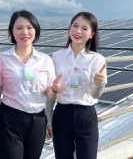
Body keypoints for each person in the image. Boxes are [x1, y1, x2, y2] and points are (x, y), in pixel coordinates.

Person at [0, 10, 64, 159]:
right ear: (12, 31)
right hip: (9, 120)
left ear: (35, 30)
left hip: (37, 121)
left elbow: (50, 93)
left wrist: (57, 90)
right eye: (19, 28)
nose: (25, 32)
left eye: (29, 27)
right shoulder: (2, 59)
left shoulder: (45, 60)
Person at [45, 11, 107, 159]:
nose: (78, 31)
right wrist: (48, 119)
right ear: (70, 28)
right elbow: (51, 91)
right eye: (75, 25)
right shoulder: (57, 56)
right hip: (61, 114)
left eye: (85, 28)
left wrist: (98, 84)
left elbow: (94, 94)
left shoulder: (96, 59)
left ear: (91, 34)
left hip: (86, 115)